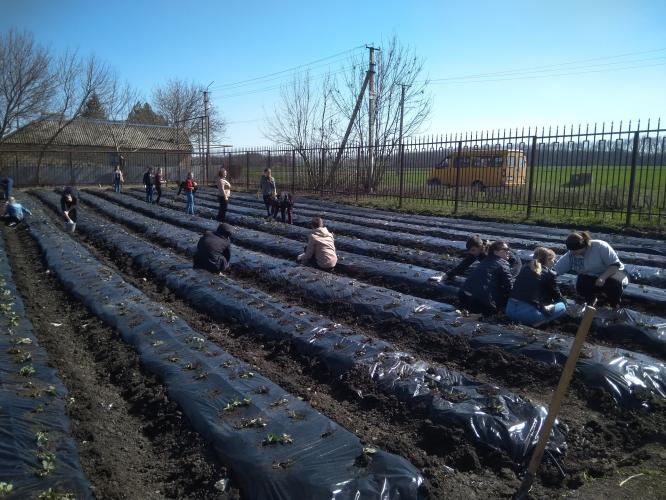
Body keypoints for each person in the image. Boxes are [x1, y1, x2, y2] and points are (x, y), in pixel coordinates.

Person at [553, 231, 628, 307]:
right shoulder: (571, 254)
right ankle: (591, 301)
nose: (572, 252)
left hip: (612, 272)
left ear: (584, 246)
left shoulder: (600, 246)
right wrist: (547, 274)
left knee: (614, 284)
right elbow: (557, 269)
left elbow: (615, 265)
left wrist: (603, 277)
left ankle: (615, 304)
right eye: (571, 250)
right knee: (581, 284)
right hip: (592, 275)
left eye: (575, 250)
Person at [506, 247, 567, 327]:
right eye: (553, 260)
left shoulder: (524, 268)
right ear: (548, 260)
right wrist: (565, 302)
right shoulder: (550, 274)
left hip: (510, 310)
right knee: (562, 306)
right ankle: (539, 322)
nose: (554, 262)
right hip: (528, 315)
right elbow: (557, 296)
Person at [429, 235, 522, 282]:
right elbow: (463, 265)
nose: (472, 253)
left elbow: (512, 260)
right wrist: (444, 277)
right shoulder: (476, 253)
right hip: (501, 265)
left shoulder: (493, 250)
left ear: (480, 247)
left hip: (514, 263)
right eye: (470, 251)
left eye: (473, 250)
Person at [458, 240, 514, 315]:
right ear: (495, 252)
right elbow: (510, 287)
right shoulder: (503, 264)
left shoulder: (485, 261)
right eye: (505, 250)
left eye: (508, 250)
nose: (508, 252)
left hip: (463, 296)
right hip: (480, 301)